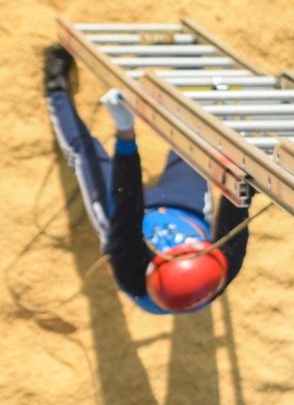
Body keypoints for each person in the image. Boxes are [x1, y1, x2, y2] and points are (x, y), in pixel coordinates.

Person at [43, 44, 250, 314]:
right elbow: (237, 200)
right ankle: (190, 70)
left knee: (84, 153)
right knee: (194, 142)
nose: (179, 245)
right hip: (186, 209)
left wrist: (125, 133)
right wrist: (237, 173)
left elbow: (126, 204)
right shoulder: (222, 266)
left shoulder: (132, 273)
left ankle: (55, 89)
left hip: (124, 218)